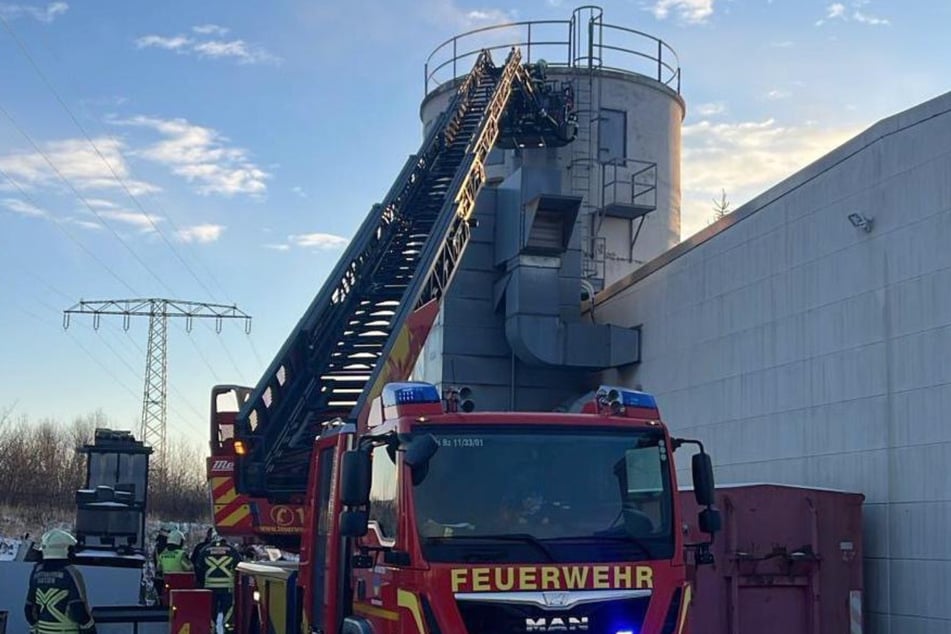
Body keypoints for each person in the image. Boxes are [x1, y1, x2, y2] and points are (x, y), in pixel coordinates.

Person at [24, 528, 96, 634]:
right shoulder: (71, 573)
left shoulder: (36, 572)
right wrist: (90, 629)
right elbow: (78, 610)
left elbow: (29, 610)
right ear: (66, 550)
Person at [195, 535, 240, 632]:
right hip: (227, 588)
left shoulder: (205, 550)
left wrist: (202, 582)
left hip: (209, 588)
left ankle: (211, 630)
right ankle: (228, 630)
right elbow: (240, 567)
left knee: (210, 611)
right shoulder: (232, 551)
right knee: (228, 612)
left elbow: (198, 568)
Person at [155, 530, 192, 605]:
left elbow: (158, 569)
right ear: (179, 541)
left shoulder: (162, 554)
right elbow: (189, 568)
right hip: (180, 585)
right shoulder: (181, 554)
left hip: (166, 584)